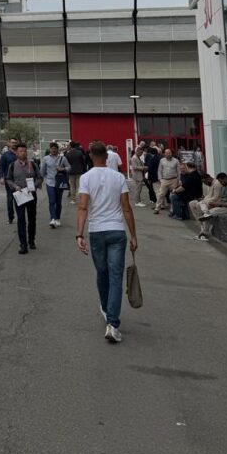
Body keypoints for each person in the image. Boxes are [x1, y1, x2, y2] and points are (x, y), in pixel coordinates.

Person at [76, 141, 138, 343]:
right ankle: (113, 322)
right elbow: (126, 208)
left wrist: (79, 234)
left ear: (91, 156)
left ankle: (105, 308)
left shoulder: (86, 178)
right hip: (116, 230)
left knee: (102, 272)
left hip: (97, 231)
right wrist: (133, 235)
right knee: (115, 276)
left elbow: (83, 207)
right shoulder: (119, 177)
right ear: (107, 156)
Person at [5, 142, 40, 253]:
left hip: (31, 194)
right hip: (19, 195)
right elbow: (8, 179)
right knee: (21, 219)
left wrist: (34, 185)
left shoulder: (32, 164)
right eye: (20, 151)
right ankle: (23, 244)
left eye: (24, 151)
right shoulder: (12, 165)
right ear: (16, 153)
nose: (23, 153)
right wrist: (15, 186)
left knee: (32, 218)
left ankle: (31, 240)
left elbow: (40, 177)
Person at [189, 172, 227, 240]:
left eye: (221, 181)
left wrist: (219, 204)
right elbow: (221, 198)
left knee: (208, 213)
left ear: (225, 179)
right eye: (220, 182)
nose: (220, 183)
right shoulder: (224, 186)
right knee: (203, 205)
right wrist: (216, 203)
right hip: (221, 205)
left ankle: (205, 232)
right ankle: (205, 215)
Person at [41, 142, 70, 228]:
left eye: (55, 148)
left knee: (58, 202)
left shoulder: (63, 158)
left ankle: (57, 218)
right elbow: (42, 170)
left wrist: (63, 168)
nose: (53, 150)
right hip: (50, 182)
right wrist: (43, 177)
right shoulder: (46, 158)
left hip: (59, 182)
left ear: (57, 150)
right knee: (52, 201)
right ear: (50, 149)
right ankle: (52, 219)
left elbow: (69, 167)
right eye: (52, 148)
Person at [155, 147, 181, 214]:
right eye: (167, 153)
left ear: (171, 153)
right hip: (164, 180)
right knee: (160, 194)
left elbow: (179, 171)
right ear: (164, 154)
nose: (168, 154)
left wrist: (179, 180)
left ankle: (172, 209)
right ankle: (157, 208)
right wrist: (160, 179)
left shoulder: (176, 161)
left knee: (173, 195)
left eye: (169, 153)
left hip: (174, 180)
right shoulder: (162, 160)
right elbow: (159, 170)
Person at [0, 139, 18, 224]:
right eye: (12, 142)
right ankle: (11, 217)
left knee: (18, 199)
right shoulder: (5, 155)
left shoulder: (19, 153)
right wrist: (1, 177)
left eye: (15, 142)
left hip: (18, 179)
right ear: (9, 144)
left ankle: (20, 216)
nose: (14, 144)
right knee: (10, 200)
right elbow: (1, 166)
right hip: (8, 180)